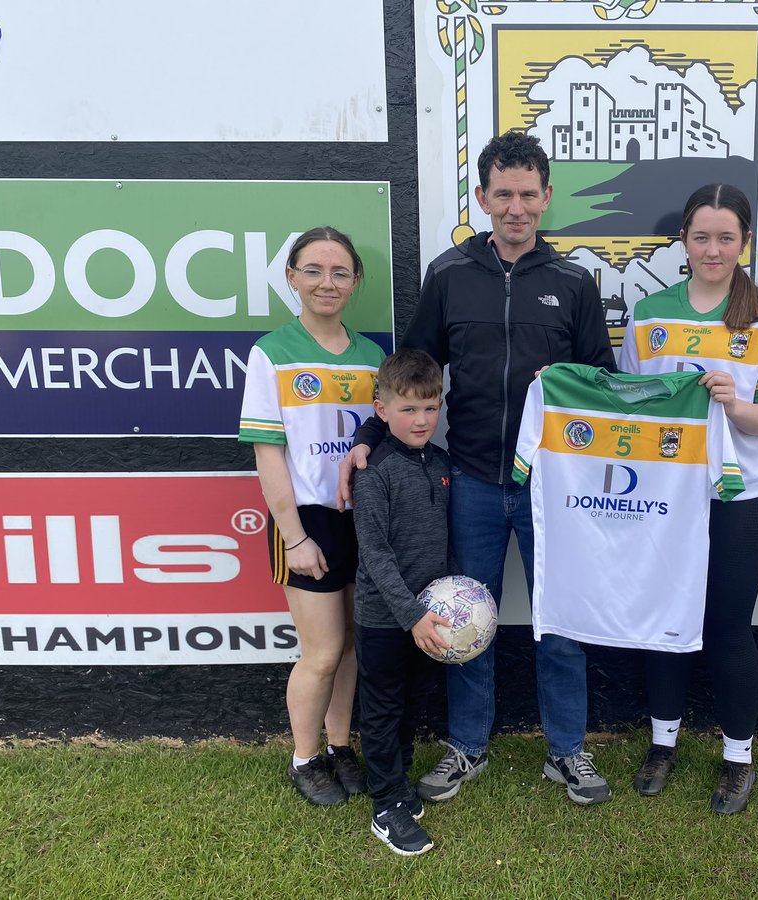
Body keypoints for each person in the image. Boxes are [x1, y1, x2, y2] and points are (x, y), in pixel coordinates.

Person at [338, 131, 617, 805]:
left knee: (560, 624)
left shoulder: (576, 281)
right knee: (466, 615)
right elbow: (414, 371)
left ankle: (568, 751)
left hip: (553, 486)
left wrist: (573, 378)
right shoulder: (450, 275)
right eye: (503, 194)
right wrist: (371, 433)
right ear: (482, 197)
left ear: (547, 198)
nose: (516, 208)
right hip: (466, 481)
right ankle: (467, 747)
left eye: (528, 195)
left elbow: (605, 384)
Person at [619, 183, 758, 814]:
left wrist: (734, 402)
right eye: (701, 237)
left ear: (744, 242)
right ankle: (663, 742)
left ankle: (737, 756)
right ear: (684, 241)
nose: (713, 249)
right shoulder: (652, 312)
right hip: (666, 495)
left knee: (724, 626)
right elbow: (627, 406)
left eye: (726, 237)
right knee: (666, 619)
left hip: (739, 496)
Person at [238, 226, 384, 806]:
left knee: (350, 645)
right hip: (307, 523)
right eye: (314, 270)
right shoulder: (272, 353)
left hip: (360, 519)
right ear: (292, 277)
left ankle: (341, 745)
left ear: (355, 282)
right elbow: (268, 453)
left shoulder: (374, 356)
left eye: (340, 272)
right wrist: (293, 536)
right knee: (321, 651)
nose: (328, 282)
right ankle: (305, 757)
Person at [352, 349, 455, 856]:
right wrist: (410, 615)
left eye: (430, 408)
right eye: (408, 409)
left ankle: (399, 780)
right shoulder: (375, 470)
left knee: (414, 703)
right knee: (383, 709)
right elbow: (373, 552)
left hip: (427, 618)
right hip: (385, 619)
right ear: (382, 409)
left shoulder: (440, 463)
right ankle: (386, 804)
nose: (421, 420)